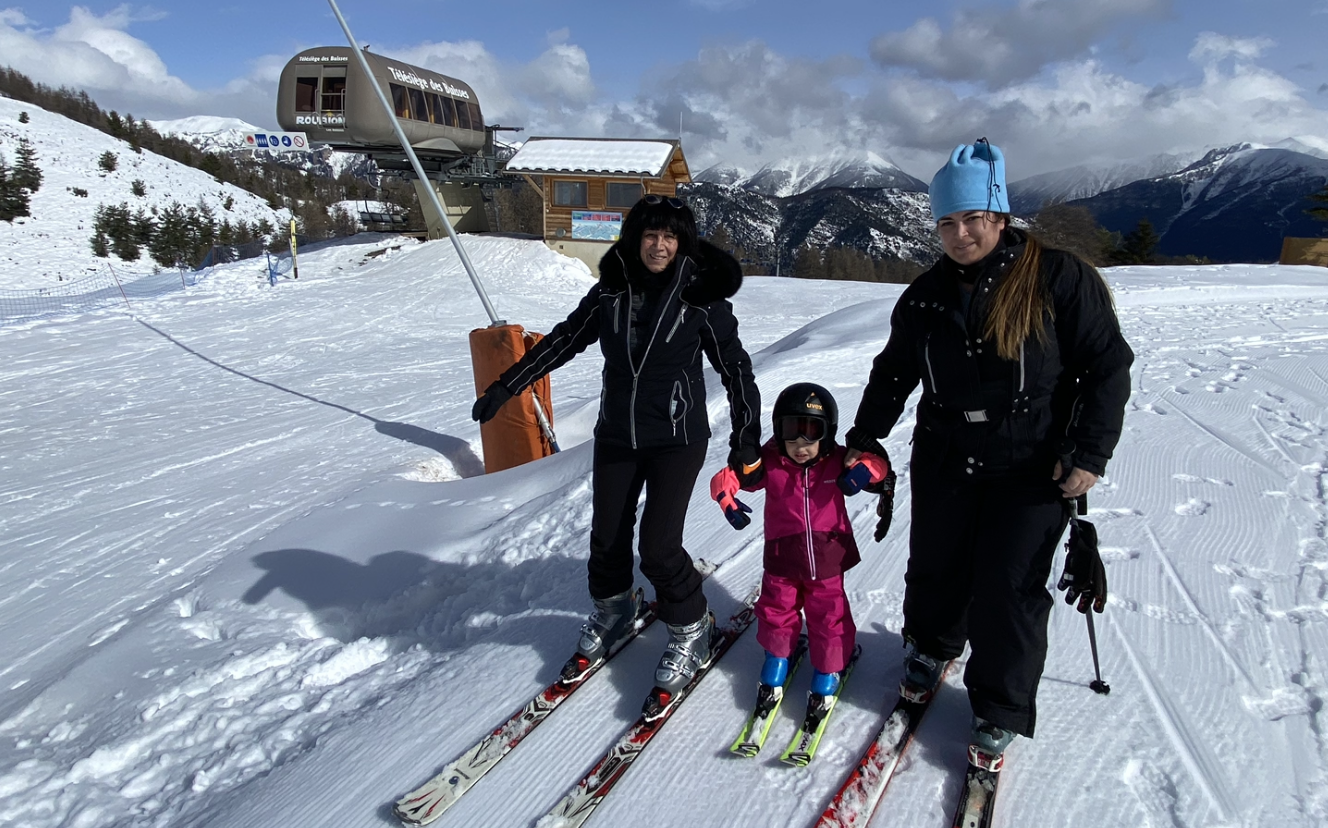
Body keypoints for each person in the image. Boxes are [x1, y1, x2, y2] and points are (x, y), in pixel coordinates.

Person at [841, 140, 1134, 768]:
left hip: (1031, 460)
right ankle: (930, 645)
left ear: (999, 216)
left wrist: (1089, 452)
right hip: (946, 449)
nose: (960, 234)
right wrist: (864, 439)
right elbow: (893, 373)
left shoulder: (1056, 276)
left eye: (972, 218)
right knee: (937, 561)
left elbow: (1108, 365)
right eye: (946, 222)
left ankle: (999, 705)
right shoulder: (925, 294)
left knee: (1010, 584)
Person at [471, 194, 762, 700]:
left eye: (670, 236)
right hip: (617, 436)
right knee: (606, 538)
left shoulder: (702, 298)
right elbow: (566, 338)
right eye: (651, 235)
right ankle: (615, 609)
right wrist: (507, 385)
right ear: (634, 238)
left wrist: (747, 439)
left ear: (683, 243)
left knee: (658, 546)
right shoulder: (612, 290)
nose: (659, 245)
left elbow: (736, 369)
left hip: (676, 438)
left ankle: (692, 626)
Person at [710, 383, 890, 723]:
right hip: (782, 560)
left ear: (828, 433)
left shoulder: (837, 460)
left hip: (827, 561)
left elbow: (877, 463)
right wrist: (726, 497)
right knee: (777, 609)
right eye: (792, 433)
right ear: (779, 432)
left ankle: (829, 669)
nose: (801, 445)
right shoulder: (772, 463)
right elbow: (728, 477)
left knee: (828, 615)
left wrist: (865, 470)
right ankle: (777, 660)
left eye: (812, 433)